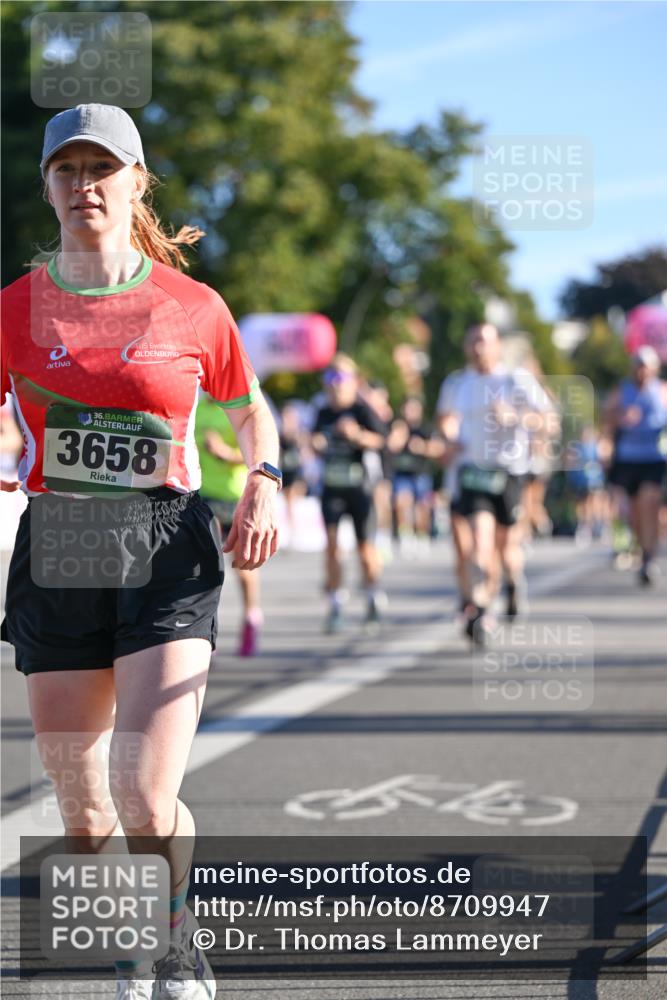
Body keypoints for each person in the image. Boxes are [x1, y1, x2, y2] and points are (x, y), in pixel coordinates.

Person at [0, 104, 281, 1000]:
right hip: (60, 551)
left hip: (164, 548)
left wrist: (266, 476)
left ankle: (174, 948)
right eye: (67, 171)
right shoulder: (12, 308)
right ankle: (138, 939)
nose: (85, 185)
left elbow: (247, 405)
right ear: (47, 187)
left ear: (135, 183)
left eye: (102, 169)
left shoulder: (191, 306)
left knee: (144, 795)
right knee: (84, 819)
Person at [437, 324, 552, 641]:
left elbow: (548, 421)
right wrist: (448, 436)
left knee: (508, 549)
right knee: (479, 541)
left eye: (484, 342)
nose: (478, 348)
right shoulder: (458, 382)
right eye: (473, 341)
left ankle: (514, 583)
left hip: (509, 472)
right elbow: (445, 418)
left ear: (497, 346)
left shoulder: (516, 380)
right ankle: (481, 607)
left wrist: (515, 417)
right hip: (472, 471)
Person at [311, 353, 387, 632]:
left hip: (360, 488)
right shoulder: (322, 411)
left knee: (365, 549)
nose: (335, 384)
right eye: (330, 378)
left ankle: (373, 597)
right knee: (331, 547)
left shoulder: (361, 409)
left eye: (341, 378)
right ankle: (335, 605)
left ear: (353, 382)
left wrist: (357, 435)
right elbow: (314, 439)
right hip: (332, 488)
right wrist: (316, 442)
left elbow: (382, 440)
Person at [195, 393, 264, 656]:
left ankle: (251, 616)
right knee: (206, 569)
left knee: (242, 567)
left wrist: (224, 452)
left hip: (235, 496)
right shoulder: (198, 408)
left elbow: (253, 454)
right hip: (204, 497)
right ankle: (205, 635)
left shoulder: (236, 409)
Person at [603, 346, 667, 585]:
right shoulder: (623, 390)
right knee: (633, 513)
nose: (642, 370)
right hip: (627, 459)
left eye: (646, 366)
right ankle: (642, 550)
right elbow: (606, 418)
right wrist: (620, 415)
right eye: (638, 365)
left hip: (653, 458)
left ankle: (648, 559)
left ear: (654, 369)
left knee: (650, 504)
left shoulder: (661, 391)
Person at [387, 396, 439, 556]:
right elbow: (390, 446)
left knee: (422, 507)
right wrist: (399, 434)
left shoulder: (426, 428)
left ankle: (422, 536)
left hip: (420, 473)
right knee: (402, 502)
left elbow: (437, 449)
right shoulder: (397, 427)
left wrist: (422, 447)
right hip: (402, 474)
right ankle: (406, 536)